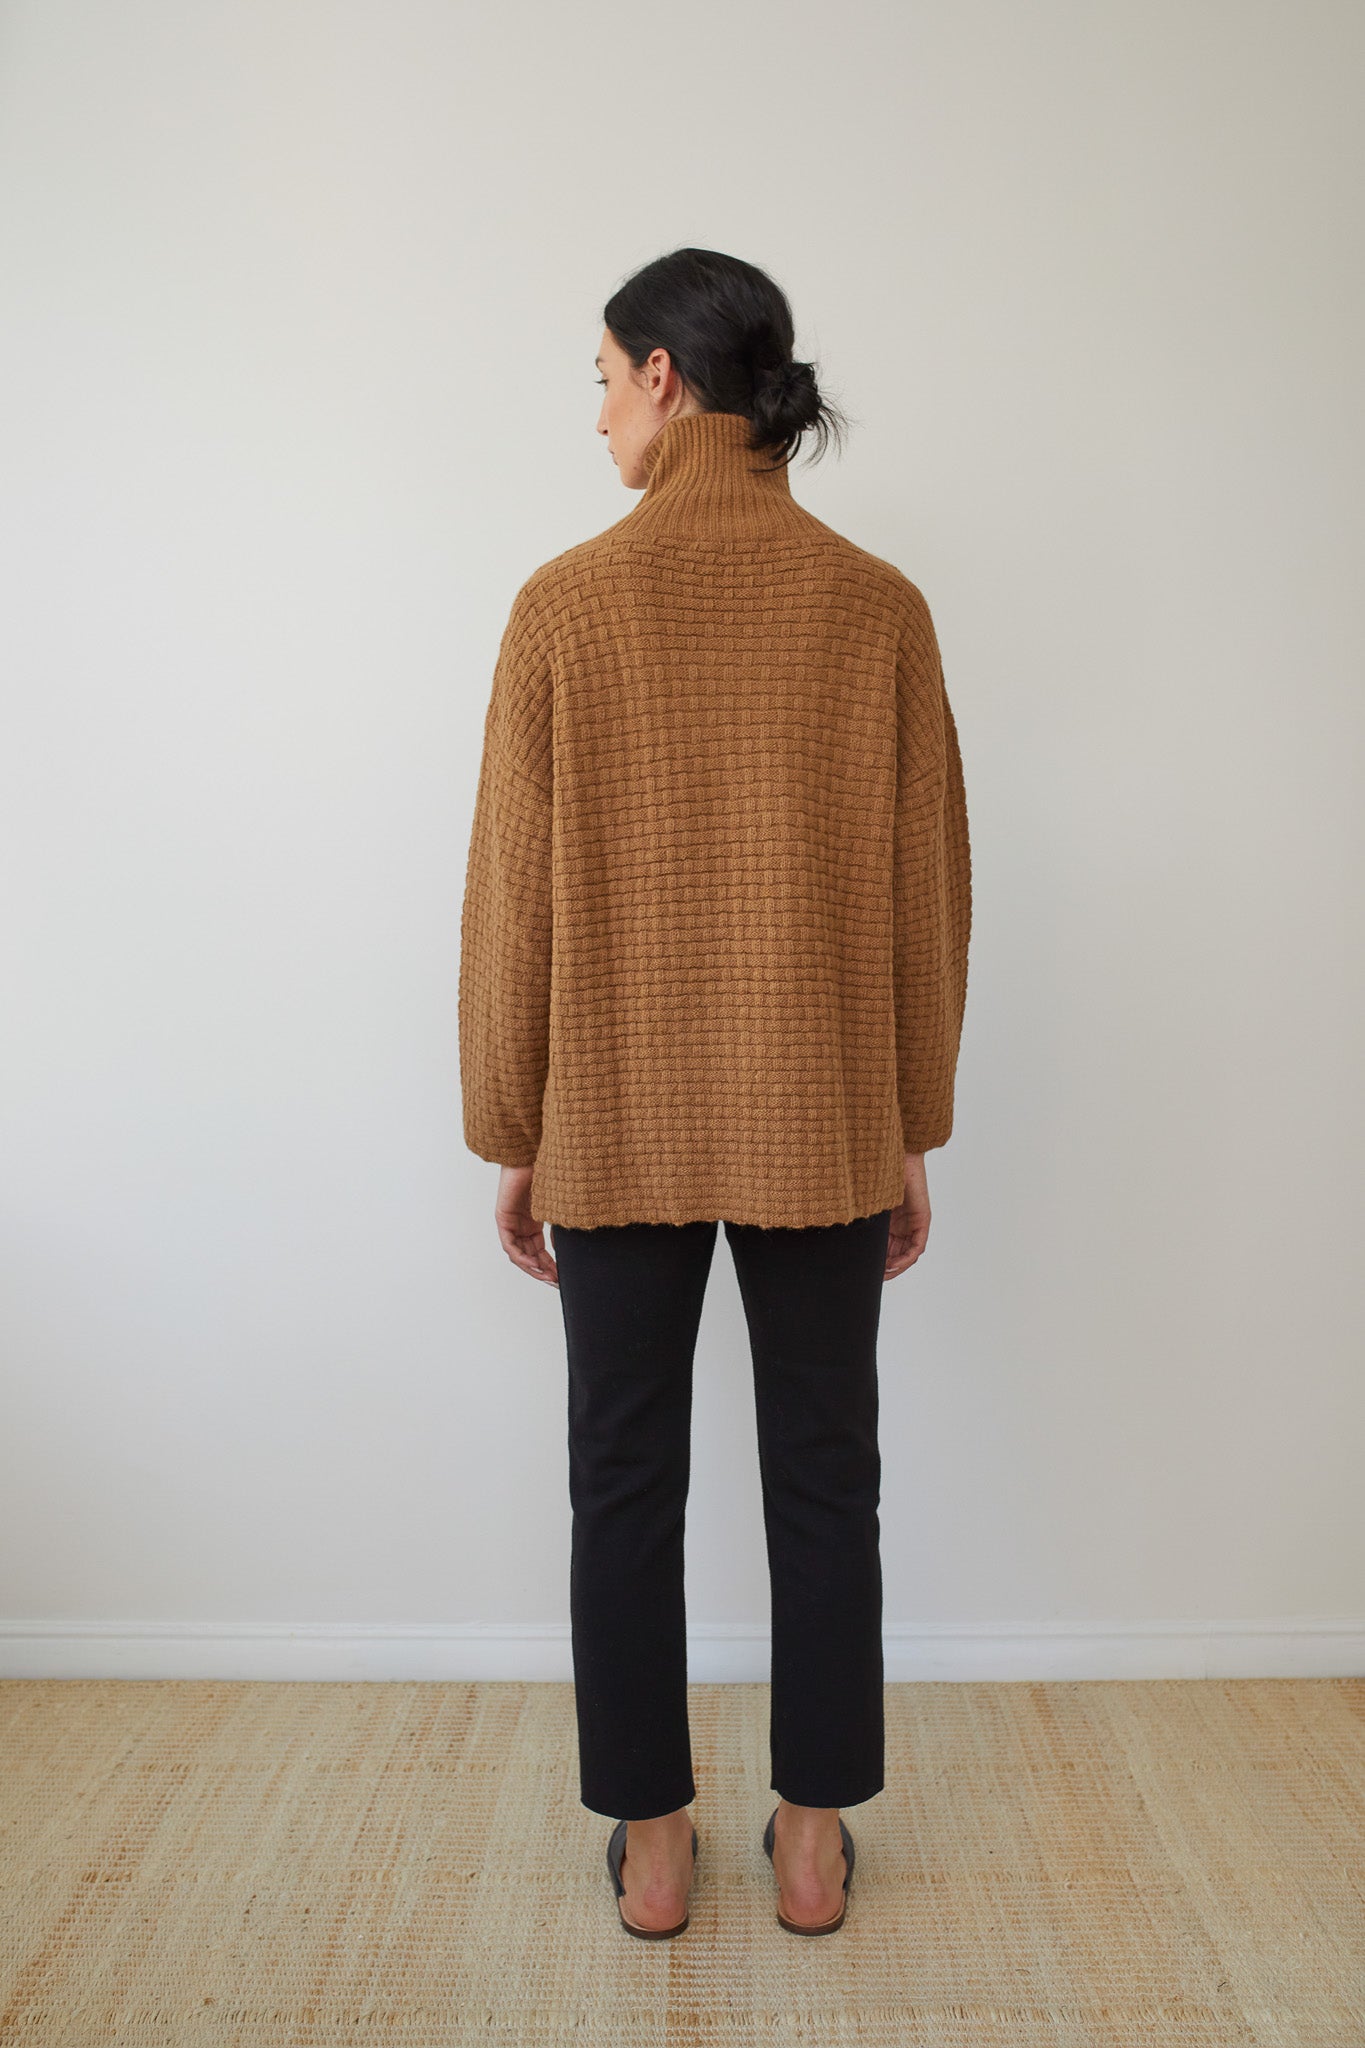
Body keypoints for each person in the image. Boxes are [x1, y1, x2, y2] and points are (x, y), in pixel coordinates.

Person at [458, 247, 971, 1938]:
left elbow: (509, 898)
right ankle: (811, 1842)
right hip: (821, 1113)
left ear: (669, 380)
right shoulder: (877, 606)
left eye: (603, 379)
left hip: (610, 1114)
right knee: (828, 1472)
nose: (598, 413)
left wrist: (512, 1124)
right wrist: (908, 1117)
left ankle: (657, 1848)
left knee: (623, 1475)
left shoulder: (561, 606)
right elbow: (927, 893)